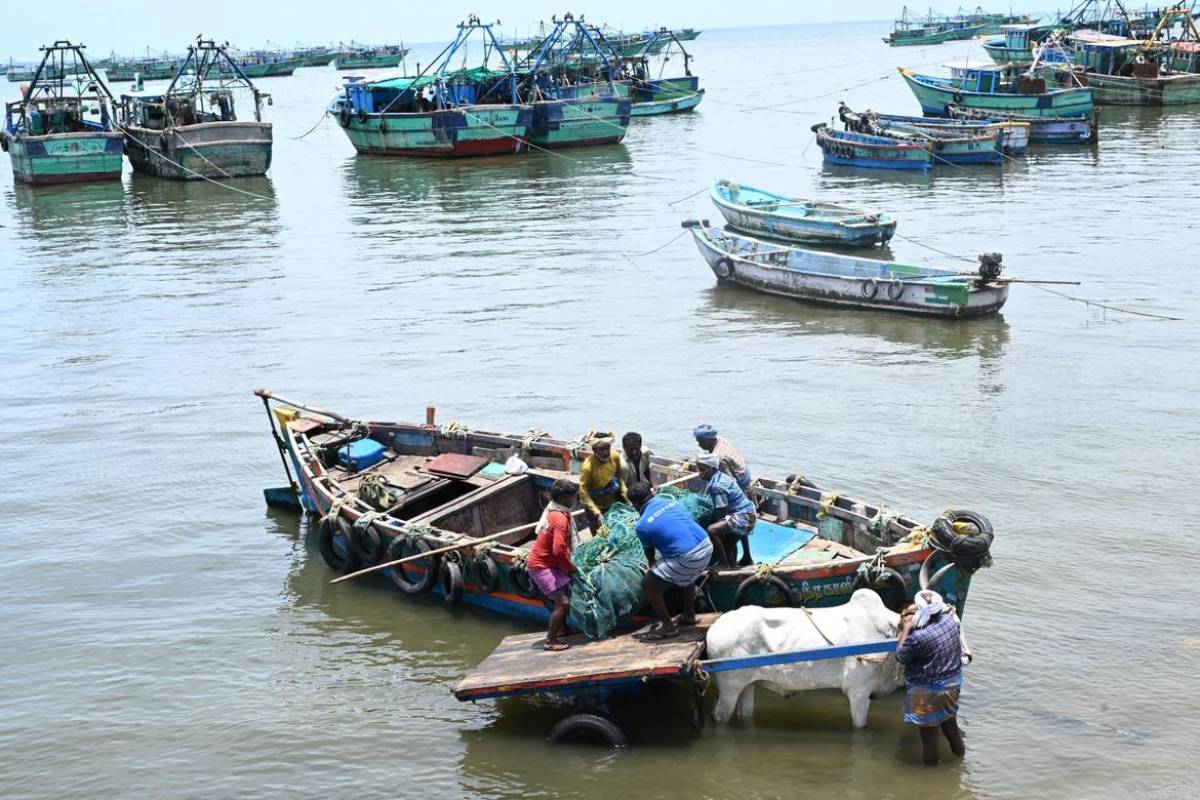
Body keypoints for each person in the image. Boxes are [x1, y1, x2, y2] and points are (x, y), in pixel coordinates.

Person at [628, 481, 713, 640]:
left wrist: (652, 565)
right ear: (651, 494)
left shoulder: (641, 525)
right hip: (707, 546)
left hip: (688, 557)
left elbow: (649, 551)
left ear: (636, 503)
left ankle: (668, 627)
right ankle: (689, 615)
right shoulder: (670, 502)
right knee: (683, 576)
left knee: (648, 584)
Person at [896, 589, 967, 766]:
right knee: (951, 727)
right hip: (952, 684)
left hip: (926, 691)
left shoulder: (918, 637)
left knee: (929, 738)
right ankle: (961, 762)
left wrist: (906, 629)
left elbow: (901, 657)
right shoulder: (951, 622)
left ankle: (930, 777)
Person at [525, 478, 580, 652]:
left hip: (549, 564)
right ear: (564, 498)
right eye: (571, 497)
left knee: (564, 595)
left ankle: (562, 630)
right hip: (540, 566)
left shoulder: (553, 511)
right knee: (563, 602)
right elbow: (558, 550)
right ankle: (551, 641)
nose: (573, 500)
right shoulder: (561, 519)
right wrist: (569, 567)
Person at [696, 453, 757, 568]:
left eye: (703, 470)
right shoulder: (721, 476)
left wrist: (718, 528)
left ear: (713, 468)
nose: (700, 473)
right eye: (698, 469)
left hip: (744, 518)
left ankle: (724, 564)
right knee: (729, 543)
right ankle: (742, 561)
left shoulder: (716, 486)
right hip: (750, 511)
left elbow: (722, 511)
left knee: (712, 530)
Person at [578, 433, 626, 531]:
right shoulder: (588, 467)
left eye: (607, 448)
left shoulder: (615, 456)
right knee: (600, 536)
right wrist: (597, 512)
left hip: (612, 503)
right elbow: (583, 493)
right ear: (594, 450)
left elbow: (619, 478)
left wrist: (627, 497)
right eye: (601, 449)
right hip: (595, 506)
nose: (605, 452)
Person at [693, 424, 753, 491]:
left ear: (710, 440)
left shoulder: (718, 458)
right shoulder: (720, 439)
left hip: (742, 482)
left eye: (702, 442)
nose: (699, 445)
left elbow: (730, 482)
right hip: (744, 470)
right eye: (698, 441)